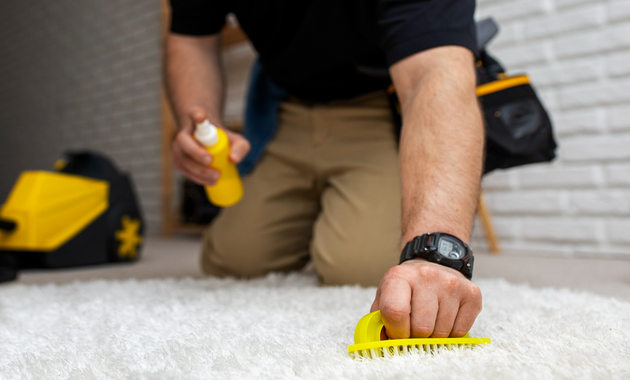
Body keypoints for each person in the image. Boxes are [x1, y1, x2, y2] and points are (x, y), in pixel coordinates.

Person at [165, 0, 484, 340]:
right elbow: (191, 38)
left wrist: (434, 254)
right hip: (287, 109)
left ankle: (346, 212)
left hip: (380, 104)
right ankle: (328, 208)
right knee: (230, 259)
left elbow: (434, 71)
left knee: (354, 266)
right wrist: (200, 124)